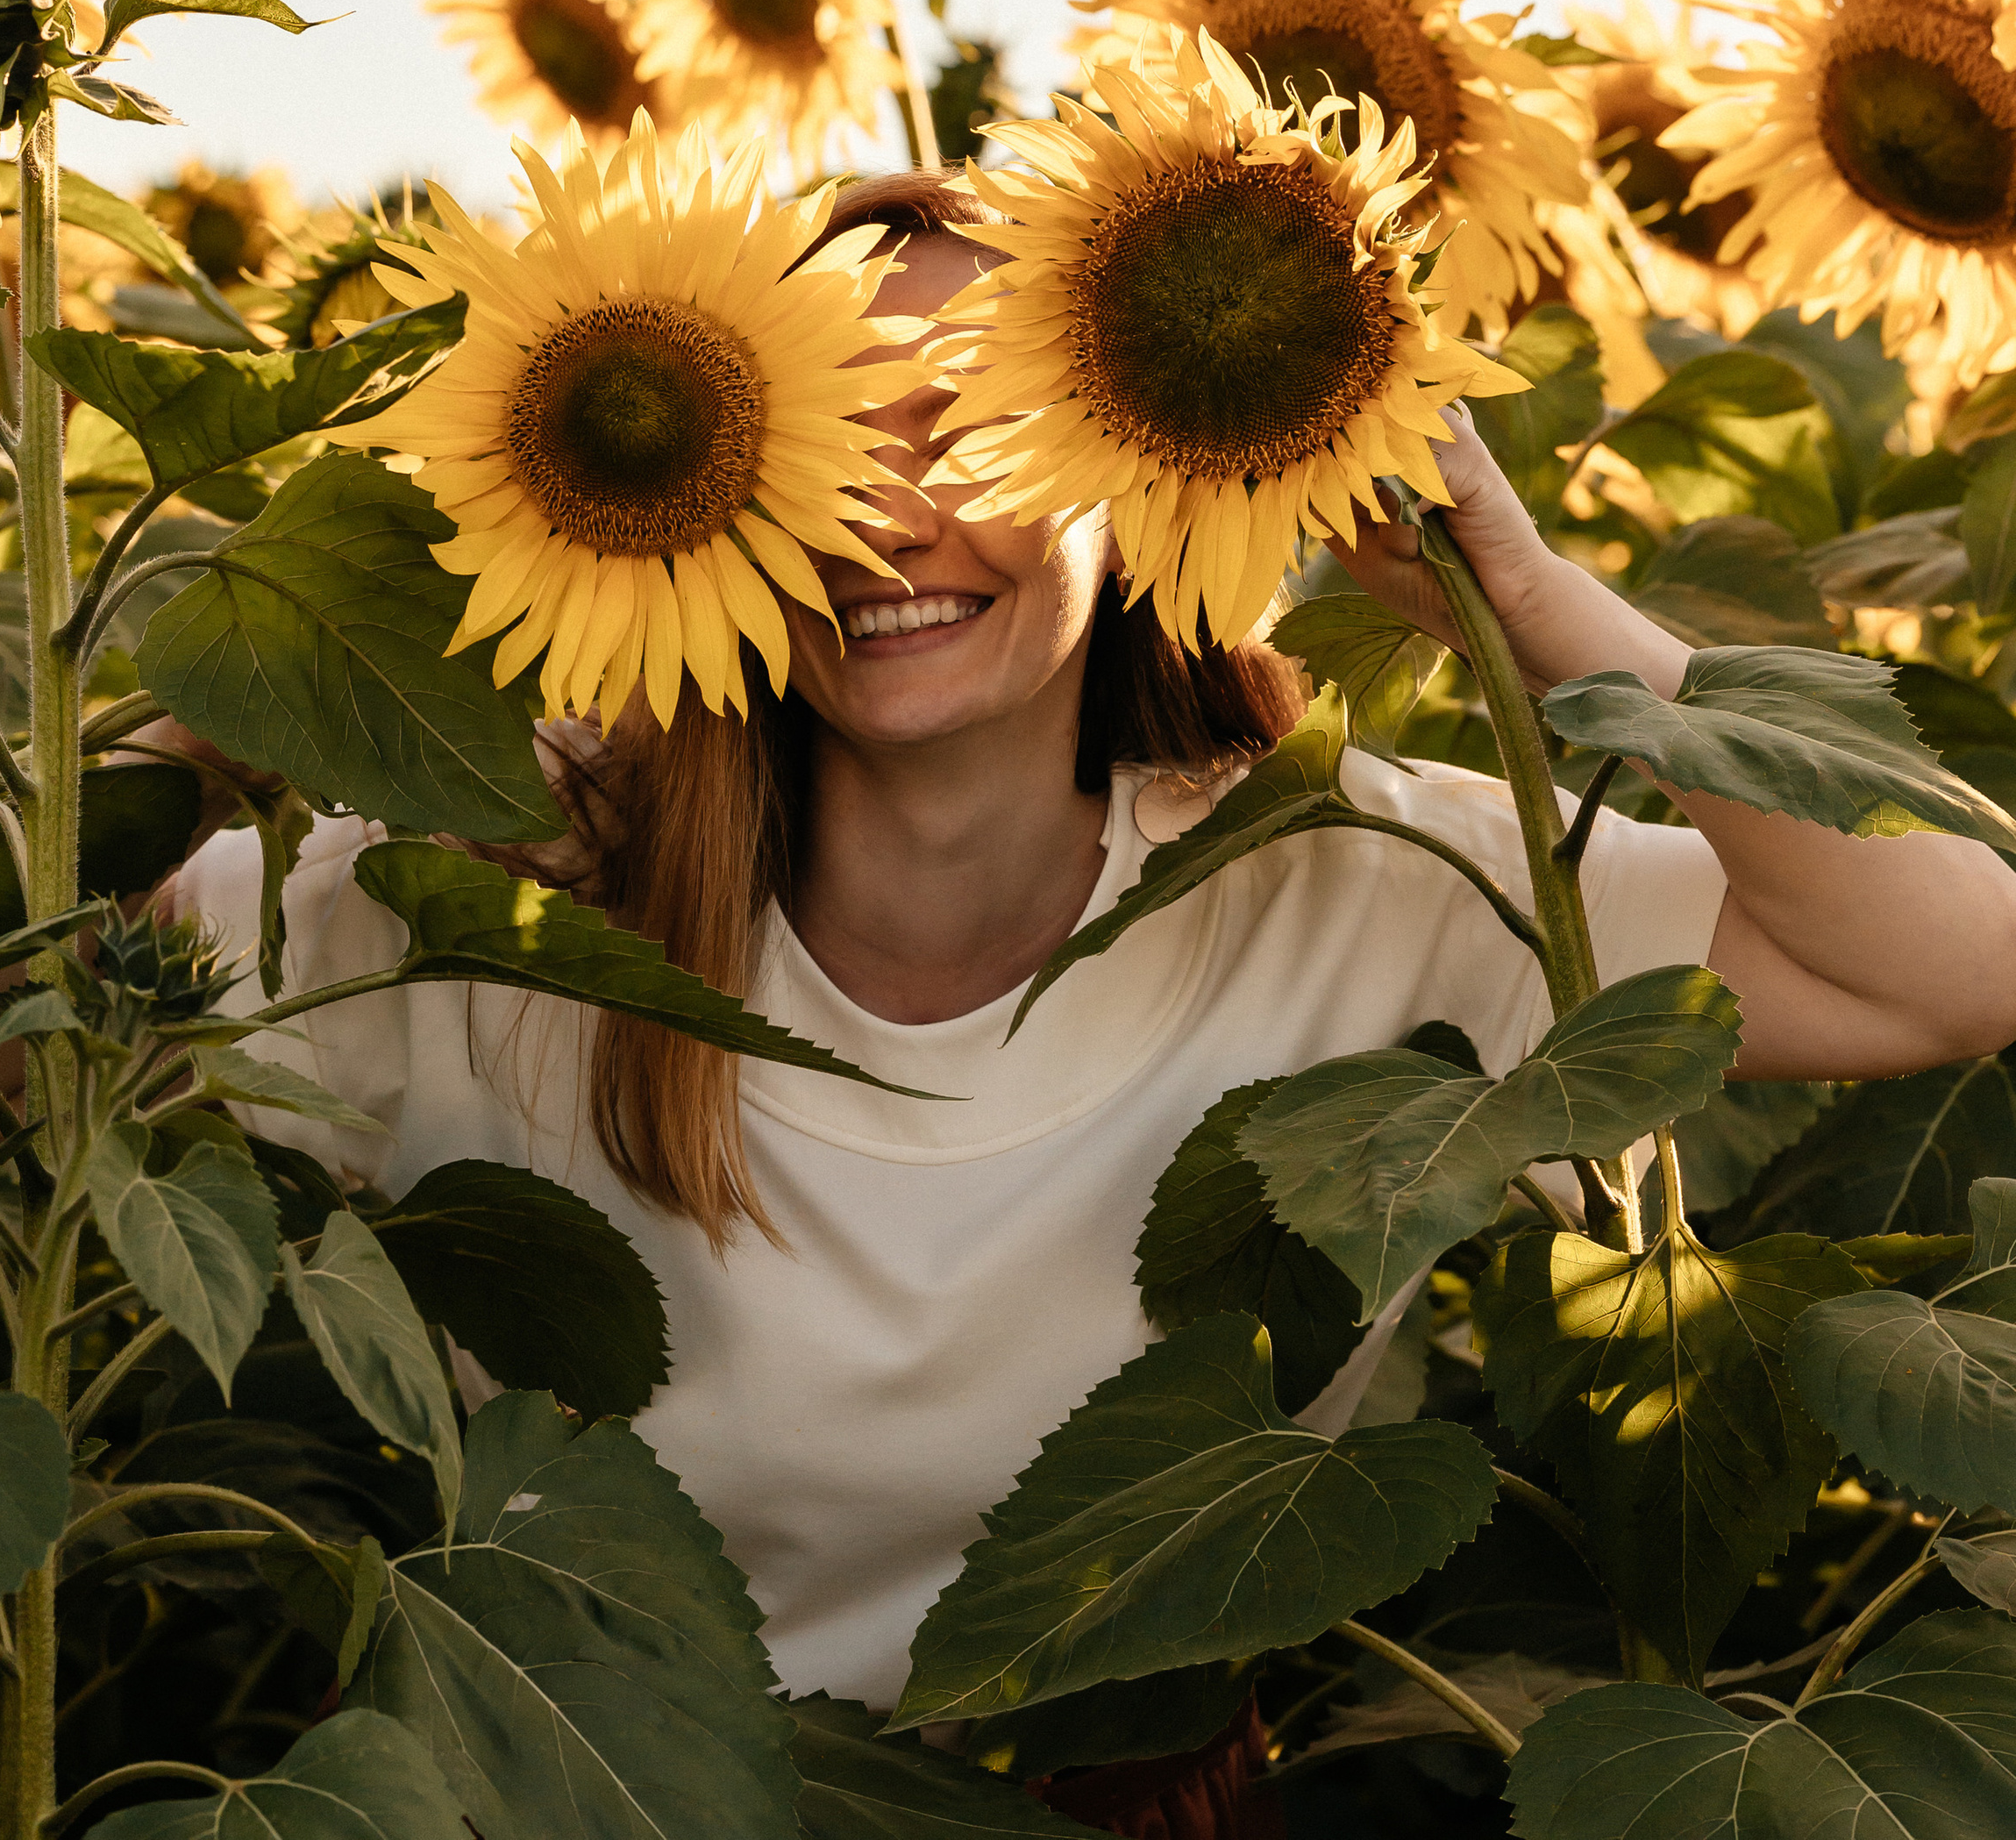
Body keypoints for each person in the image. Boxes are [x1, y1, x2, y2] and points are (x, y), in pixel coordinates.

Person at [171, 170, 2016, 1836]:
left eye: (966, 428)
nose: (890, 517)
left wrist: (1515, 594)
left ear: (1139, 471)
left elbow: (1954, 965)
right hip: (529, 1799)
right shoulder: (479, 913)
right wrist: (254, 690)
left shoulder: (1352, 886)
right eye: (818, 443)